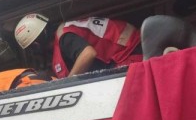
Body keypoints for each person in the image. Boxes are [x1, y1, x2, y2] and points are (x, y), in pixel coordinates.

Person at [15, 14, 143, 78]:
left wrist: (70, 84)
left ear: (37, 43)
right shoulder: (64, 34)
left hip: (129, 55)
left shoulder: (65, 37)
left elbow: (88, 54)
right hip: (127, 54)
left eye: (32, 48)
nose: (34, 52)